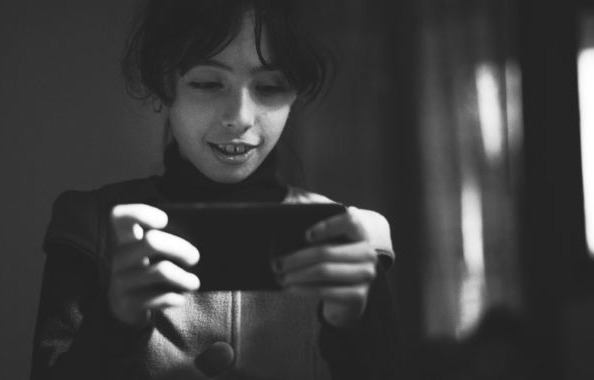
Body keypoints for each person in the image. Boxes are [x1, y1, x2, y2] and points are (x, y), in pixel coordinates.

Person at [30, 1, 404, 379]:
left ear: (295, 95)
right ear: (162, 83)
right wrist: (114, 325)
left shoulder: (352, 241)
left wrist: (357, 331)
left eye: (271, 86)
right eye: (208, 83)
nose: (239, 117)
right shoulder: (89, 229)